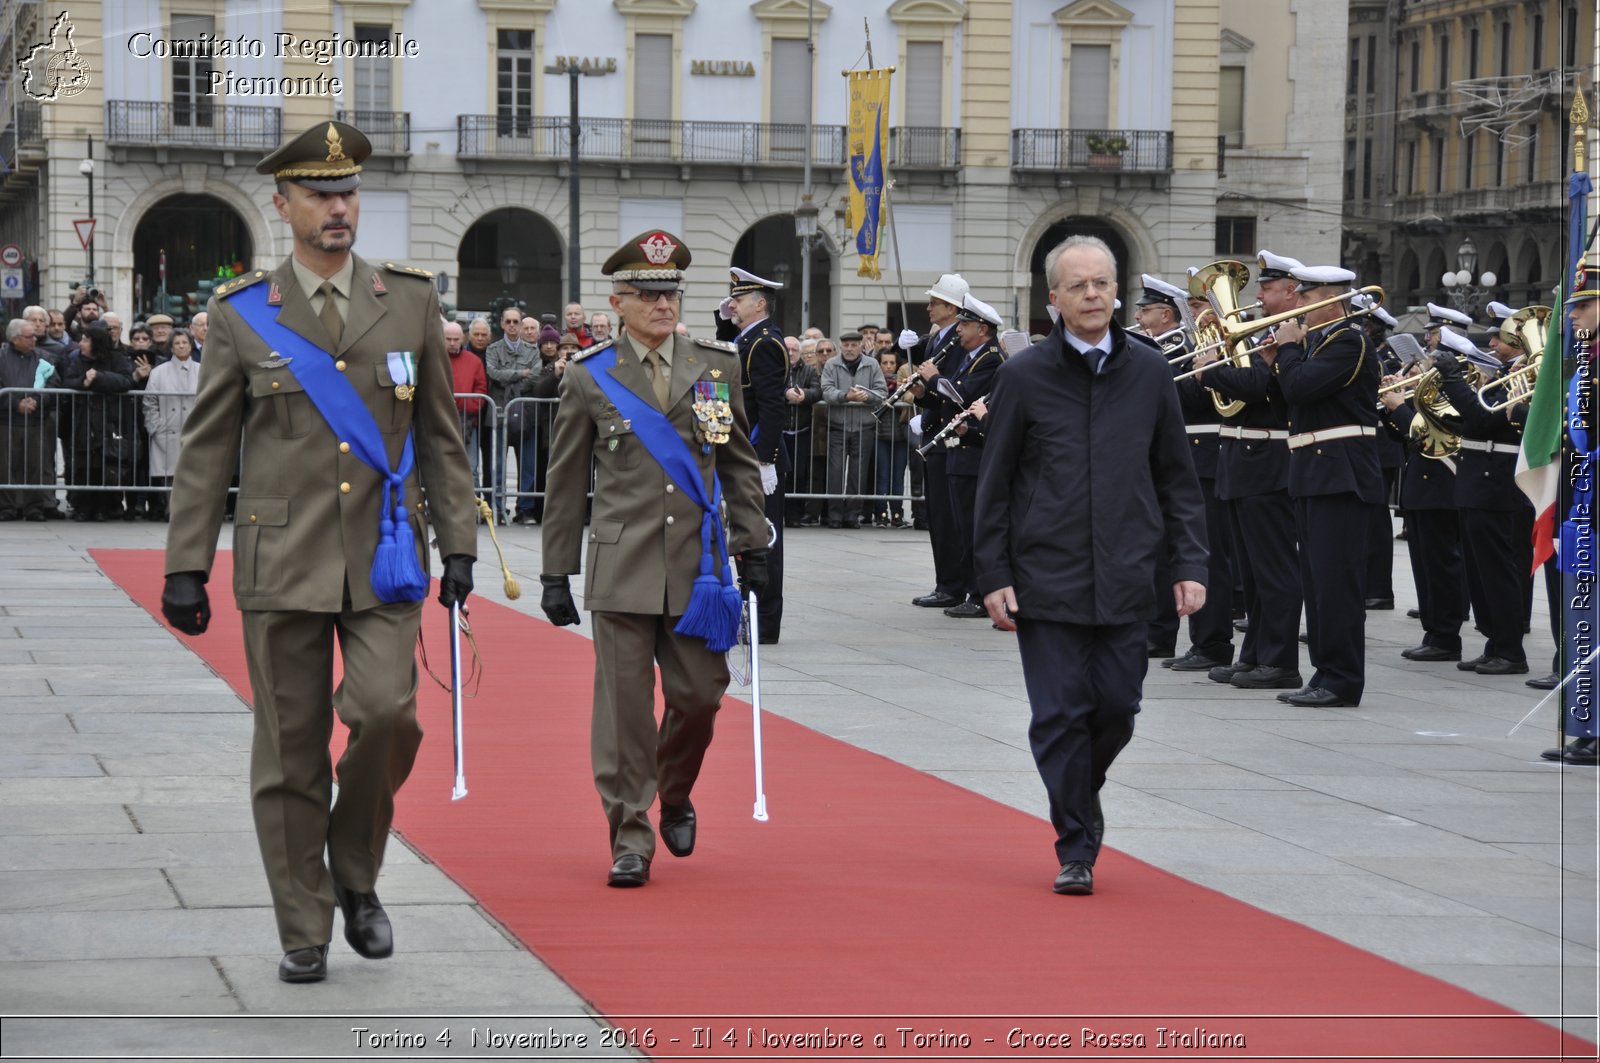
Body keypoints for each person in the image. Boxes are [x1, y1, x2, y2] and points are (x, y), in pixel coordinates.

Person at [158, 121, 478, 984]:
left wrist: (458, 543)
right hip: (282, 557)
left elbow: (442, 434)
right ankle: (304, 922)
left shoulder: (407, 298)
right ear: (284, 203)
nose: (339, 208)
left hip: (385, 559)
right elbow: (208, 447)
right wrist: (185, 562)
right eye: (320, 195)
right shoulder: (242, 313)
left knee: (387, 715)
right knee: (290, 747)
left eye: (347, 193)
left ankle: (355, 874)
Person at [975, 234, 1207, 896]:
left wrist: (1189, 562)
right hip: (1047, 578)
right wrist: (994, 575)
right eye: (1078, 285)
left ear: (1117, 291)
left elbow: (1177, 479)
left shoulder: (1151, 372)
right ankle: (1077, 840)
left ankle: (1079, 790)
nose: (1093, 294)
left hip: (1131, 574)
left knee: (1116, 708)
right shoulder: (1023, 376)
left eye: (1103, 282)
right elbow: (994, 487)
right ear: (1054, 298)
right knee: (1058, 714)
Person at [539, 230, 767, 887]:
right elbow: (564, 483)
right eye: (647, 293)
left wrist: (752, 539)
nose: (663, 304)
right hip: (622, 564)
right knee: (625, 711)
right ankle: (630, 834)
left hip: (697, 569)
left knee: (701, 696)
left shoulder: (712, 369)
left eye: (670, 292)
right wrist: (557, 570)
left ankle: (674, 788)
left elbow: (733, 460)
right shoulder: (591, 376)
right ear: (618, 300)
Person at [1260, 265, 1383, 708]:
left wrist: (1289, 353)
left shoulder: (1349, 341)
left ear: (1329, 300)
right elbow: (1286, 406)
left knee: (1337, 586)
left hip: (1341, 475)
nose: (1298, 306)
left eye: (1305, 299)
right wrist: (1276, 364)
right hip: (1314, 473)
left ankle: (1343, 679)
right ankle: (1324, 672)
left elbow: (1303, 387)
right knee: (1317, 584)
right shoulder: (1318, 345)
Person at [1197, 251, 1305, 692]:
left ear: (1290, 292)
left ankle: (1280, 660)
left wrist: (1208, 373)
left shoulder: (1296, 333)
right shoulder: (1266, 331)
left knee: (1274, 569)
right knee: (1253, 572)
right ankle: (1256, 653)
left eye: (1267, 288)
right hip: (1243, 461)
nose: (1257, 295)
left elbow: (1262, 386)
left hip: (1270, 461)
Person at [1431, 326, 1533, 675]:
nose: (1491, 345)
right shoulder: (1505, 374)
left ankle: (1510, 649)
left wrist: (1453, 379)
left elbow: (1483, 418)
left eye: (1500, 339)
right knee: (1479, 571)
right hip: (1478, 477)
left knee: (1497, 569)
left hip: (1495, 480)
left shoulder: (1524, 375)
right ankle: (1495, 643)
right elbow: (1474, 424)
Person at [1543, 279, 1600, 764]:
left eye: (1584, 305)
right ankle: (1588, 727)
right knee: (1585, 623)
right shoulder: (1586, 362)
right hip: (1585, 505)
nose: (1573, 315)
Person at [925, 293, 1007, 616]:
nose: (959, 330)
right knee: (961, 528)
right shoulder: (971, 355)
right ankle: (968, 590)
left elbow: (963, 393)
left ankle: (979, 593)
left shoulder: (990, 358)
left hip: (975, 452)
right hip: (961, 447)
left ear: (983, 329)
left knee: (975, 529)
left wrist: (934, 379)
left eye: (966, 324)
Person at [727, 266, 790, 642]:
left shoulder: (765, 342)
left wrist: (764, 458)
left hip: (758, 454)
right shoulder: (749, 337)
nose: (732, 304)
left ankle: (764, 622)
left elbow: (771, 406)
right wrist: (728, 321)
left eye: (739, 299)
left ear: (759, 303)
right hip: (746, 451)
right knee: (746, 536)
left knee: (764, 538)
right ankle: (749, 615)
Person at [908, 274, 971, 603]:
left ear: (952, 307)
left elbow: (955, 388)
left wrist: (931, 390)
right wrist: (921, 395)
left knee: (948, 515)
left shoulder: (958, 342)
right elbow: (936, 391)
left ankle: (953, 585)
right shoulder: (936, 339)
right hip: (935, 433)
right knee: (937, 513)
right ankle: (944, 580)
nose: (929, 307)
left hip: (950, 437)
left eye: (936, 302)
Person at [62, 323, 142, 522]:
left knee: (106, 465)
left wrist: (98, 378)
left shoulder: (117, 358)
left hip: (110, 421)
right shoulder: (78, 361)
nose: (81, 343)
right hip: (84, 421)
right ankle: (83, 507)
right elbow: (68, 382)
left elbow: (126, 381)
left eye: (86, 340)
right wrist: (84, 382)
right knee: (84, 465)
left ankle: (104, 508)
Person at [821, 329, 887, 527]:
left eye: (853, 345)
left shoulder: (872, 364)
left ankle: (852, 516)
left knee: (858, 474)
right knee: (835, 472)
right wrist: (844, 397)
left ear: (861, 346)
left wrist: (868, 397)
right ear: (841, 346)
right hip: (837, 426)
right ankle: (834, 516)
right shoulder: (832, 364)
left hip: (863, 426)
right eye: (846, 345)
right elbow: (826, 390)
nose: (849, 349)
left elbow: (881, 391)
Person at [0, 319, 59, 521]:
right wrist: (16, 404)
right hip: (6, 421)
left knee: (36, 465)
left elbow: (53, 384)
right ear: (15, 339)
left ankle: (34, 507)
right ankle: (6, 507)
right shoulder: (1, 357)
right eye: (29, 336)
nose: (35, 339)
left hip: (36, 421)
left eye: (35, 335)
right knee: (5, 466)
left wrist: (36, 401)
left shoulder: (44, 358)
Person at [141, 328, 200, 521]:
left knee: (193, 473)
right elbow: (149, 402)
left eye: (185, 342)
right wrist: (155, 426)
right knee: (170, 474)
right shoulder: (159, 372)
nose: (181, 346)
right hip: (168, 428)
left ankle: (190, 510)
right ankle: (171, 509)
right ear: (171, 347)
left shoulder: (202, 370)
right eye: (177, 343)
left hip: (194, 429)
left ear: (191, 346)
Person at [443, 321, 488, 484]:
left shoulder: (474, 361)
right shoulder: (434, 359)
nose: (452, 343)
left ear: (463, 338)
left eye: (456, 339)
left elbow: (481, 389)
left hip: (467, 420)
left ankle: (471, 507)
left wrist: (466, 405)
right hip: (439, 418)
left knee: (471, 467)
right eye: (448, 339)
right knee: (440, 467)